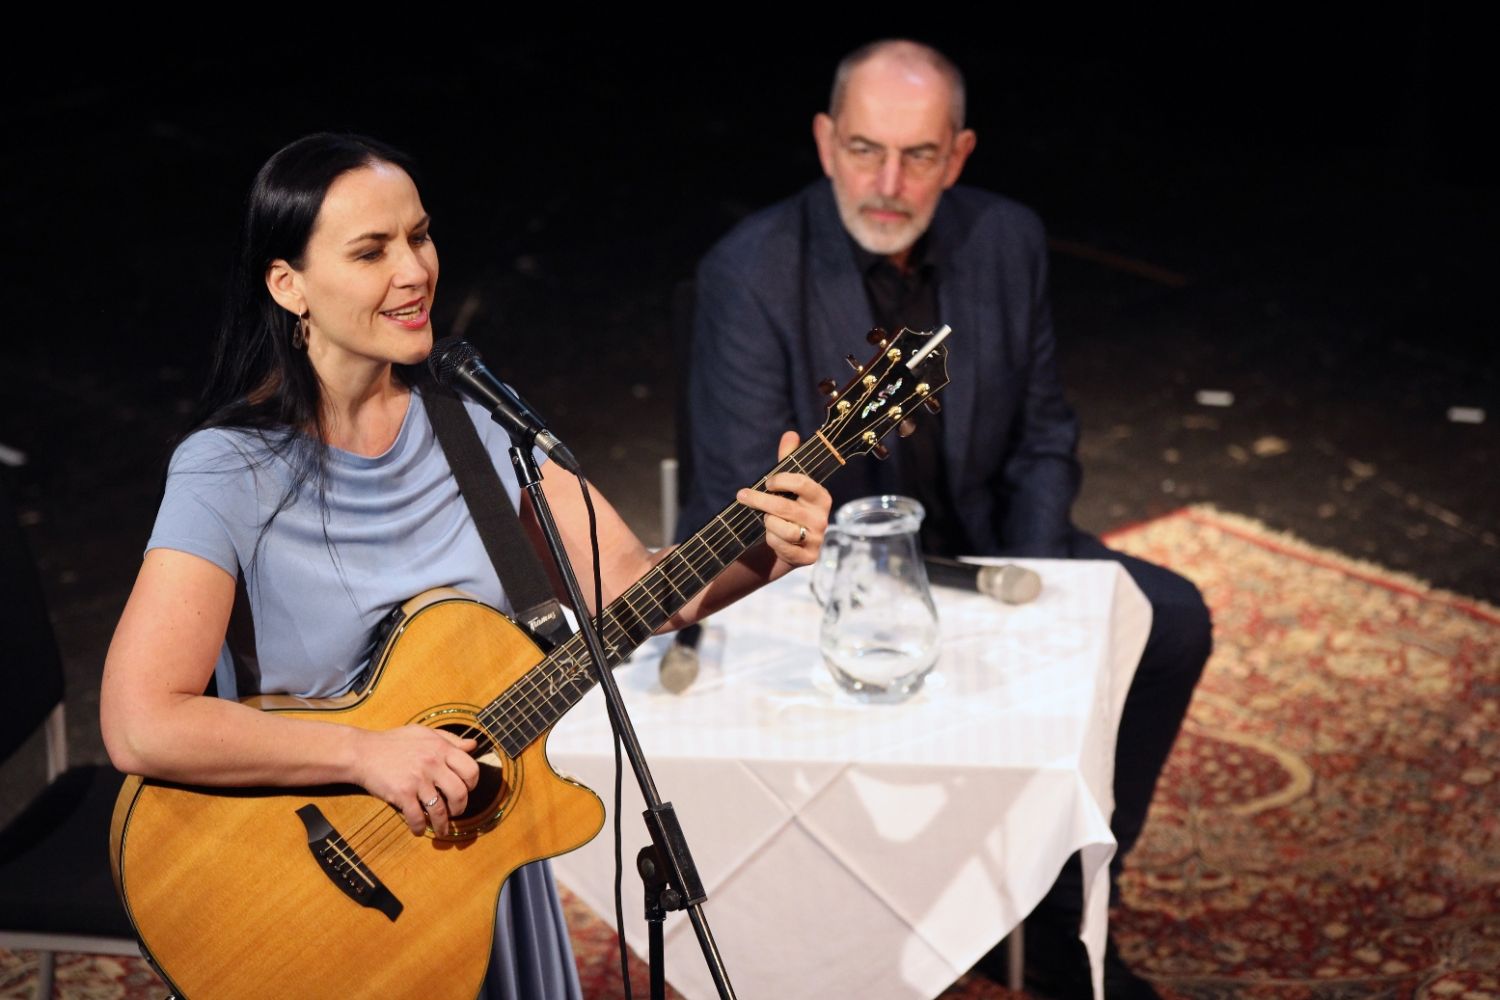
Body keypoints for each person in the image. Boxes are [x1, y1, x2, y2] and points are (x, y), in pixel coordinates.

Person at [99, 133, 831, 1000]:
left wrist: (764, 548)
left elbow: (634, 590)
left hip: (475, 865)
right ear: (288, 284)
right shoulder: (228, 471)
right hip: (308, 888)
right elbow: (141, 723)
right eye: (372, 251)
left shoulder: (472, 418)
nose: (414, 271)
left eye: (419, 236)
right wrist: (366, 754)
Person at [677, 41, 1212, 999]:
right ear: (825, 143)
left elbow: (1044, 434)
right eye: (864, 150)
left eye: (917, 155)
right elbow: (745, 499)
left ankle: (1054, 912)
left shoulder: (1006, 238)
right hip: (813, 581)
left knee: (1170, 622)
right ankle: (886, 916)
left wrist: (1040, 589)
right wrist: (877, 600)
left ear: (958, 155)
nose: (888, 184)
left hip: (985, 551)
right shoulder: (749, 272)